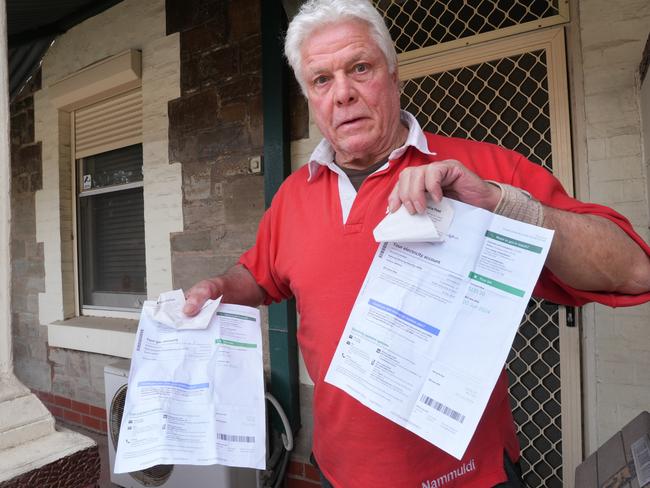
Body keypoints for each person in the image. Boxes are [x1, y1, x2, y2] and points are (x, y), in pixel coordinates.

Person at [183, 1, 650, 486]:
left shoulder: (478, 171)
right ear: (310, 97)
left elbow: (633, 269)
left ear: (392, 73)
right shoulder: (293, 196)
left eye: (359, 68)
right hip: (340, 470)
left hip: (468, 475)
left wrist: (501, 204)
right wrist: (220, 285)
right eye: (322, 80)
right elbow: (259, 275)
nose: (342, 93)